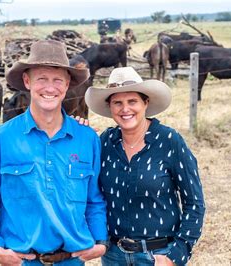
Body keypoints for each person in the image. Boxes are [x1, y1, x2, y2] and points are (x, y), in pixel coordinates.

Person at [0, 40, 108, 266]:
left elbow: (94, 199)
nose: (50, 88)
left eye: (57, 80)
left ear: (67, 85)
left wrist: (101, 241)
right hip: (23, 260)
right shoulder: (1, 139)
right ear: (27, 81)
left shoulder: (87, 139)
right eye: (41, 79)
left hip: (72, 261)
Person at [84, 67, 205, 266]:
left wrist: (177, 254)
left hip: (159, 254)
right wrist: (77, 130)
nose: (125, 109)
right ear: (110, 107)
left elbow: (195, 203)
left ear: (145, 103)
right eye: (117, 103)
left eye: (132, 101)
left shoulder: (168, 141)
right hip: (114, 255)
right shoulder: (105, 142)